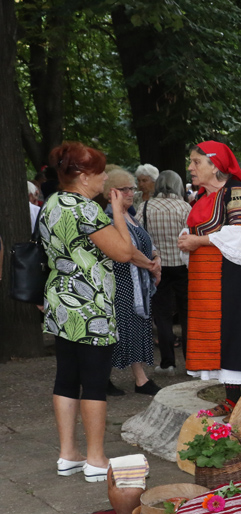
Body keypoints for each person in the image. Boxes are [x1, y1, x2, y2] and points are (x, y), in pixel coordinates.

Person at [40, 142, 135, 482]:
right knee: (94, 382)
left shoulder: (51, 203)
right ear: (82, 176)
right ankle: (96, 459)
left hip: (61, 302)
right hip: (91, 305)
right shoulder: (86, 210)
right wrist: (119, 213)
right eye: (99, 172)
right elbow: (123, 252)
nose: (105, 178)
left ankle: (68, 454)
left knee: (66, 377)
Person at [178, 141, 241, 415]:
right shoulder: (202, 197)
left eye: (196, 162)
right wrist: (190, 241)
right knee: (219, 338)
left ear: (215, 164)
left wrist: (197, 241)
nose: (190, 168)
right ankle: (232, 398)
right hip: (206, 277)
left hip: (230, 276)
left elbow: (239, 234)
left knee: (236, 333)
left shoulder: (236, 190)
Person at [104, 169, 161, 396]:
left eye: (131, 188)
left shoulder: (131, 214)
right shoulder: (109, 217)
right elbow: (127, 250)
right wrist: (150, 265)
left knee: (132, 328)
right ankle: (111, 378)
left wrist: (155, 258)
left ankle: (139, 379)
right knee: (122, 330)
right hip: (122, 282)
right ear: (112, 193)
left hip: (136, 281)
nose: (130, 192)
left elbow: (145, 240)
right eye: (124, 189)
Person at [145, 170, 191, 373]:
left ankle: (167, 363)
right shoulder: (185, 207)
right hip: (183, 266)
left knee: (162, 316)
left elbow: (140, 236)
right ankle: (191, 362)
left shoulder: (145, 207)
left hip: (157, 267)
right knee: (187, 315)